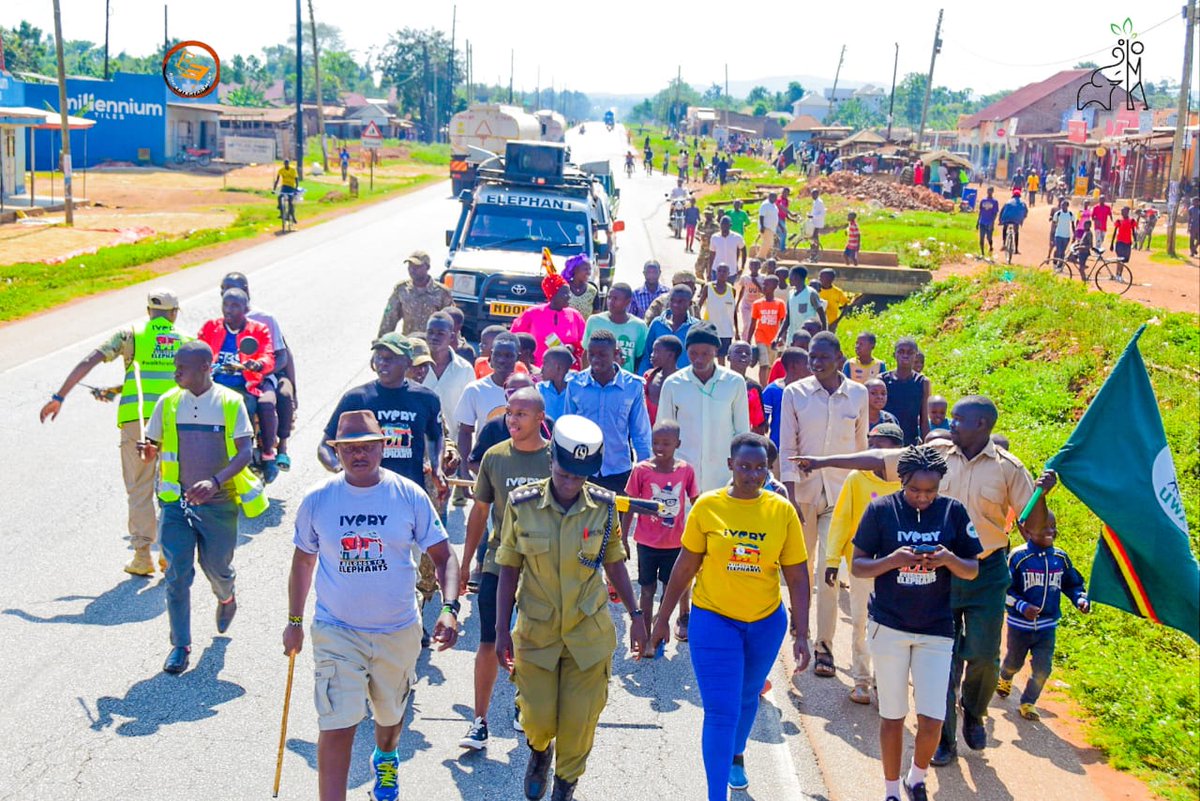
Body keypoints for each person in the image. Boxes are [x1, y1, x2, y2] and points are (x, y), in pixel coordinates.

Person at [789, 395, 1053, 767]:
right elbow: (880, 461)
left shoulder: (1008, 468)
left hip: (983, 571)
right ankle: (944, 738)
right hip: (934, 572)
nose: (949, 424)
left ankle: (974, 711)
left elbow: (1036, 527)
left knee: (981, 656)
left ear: (983, 425)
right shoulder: (936, 452)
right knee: (941, 658)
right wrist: (823, 462)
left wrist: (1042, 494)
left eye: (959, 419)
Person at [285, 410, 460, 801]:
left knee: (389, 715)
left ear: (383, 447)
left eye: (367, 447)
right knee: (337, 723)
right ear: (337, 452)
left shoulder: (408, 495)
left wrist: (450, 608)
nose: (358, 455)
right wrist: (294, 621)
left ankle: (385, 755)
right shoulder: (318, 499)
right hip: (336, 630)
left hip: (397, 631)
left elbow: (445, 556)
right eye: (349, 449)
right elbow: (302, 561)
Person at [649, 433, 812, 801]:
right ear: (730, 466)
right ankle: (714, 794)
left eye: (760, 469)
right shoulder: (708, 507)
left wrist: (802, 631)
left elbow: (798, 574)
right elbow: (685, 565)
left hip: (765, 622)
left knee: (748, 696)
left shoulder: (781, 511)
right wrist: (662, 619)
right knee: (721, 711)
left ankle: (737, 754)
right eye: (744, 467)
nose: (753, 475)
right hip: (714, 620)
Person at [494, 416, 648, 801]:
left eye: (579, 477)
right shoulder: (522, 505)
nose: (569, 483)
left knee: (579, 723)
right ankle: (540, 752)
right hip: (537, 633)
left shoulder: (604, 506)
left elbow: (614, 560)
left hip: (587, 633)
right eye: (564, 473)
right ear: (551, 459)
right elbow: (509, 565)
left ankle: (565, 784)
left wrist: (636, 615)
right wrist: (500, 630)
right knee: (538, 718)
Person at [851, 445, 982, 801]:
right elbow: (858, 565)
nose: (922, 498)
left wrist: (949, 559)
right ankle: (891, 790)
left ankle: (916, 778)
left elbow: (972, 569)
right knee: (892, 717)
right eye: (914, 490)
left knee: (933, 718)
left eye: (930, 491)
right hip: (889, 626)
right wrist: (892, 560)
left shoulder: (953, 512)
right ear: (902, 481)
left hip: (936, 629)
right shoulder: (881, 509)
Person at [40, 289, 186, 576]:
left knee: (139, 487)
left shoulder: (129, 334)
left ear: (148, 312)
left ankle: (143, 557)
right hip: (177, 420)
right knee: (174, 485)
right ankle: (169, 555)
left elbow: (89, 360)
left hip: (138, 420)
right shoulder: (188, 340)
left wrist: (60, 396)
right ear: (174, 313)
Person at [141, 340, 266, 674]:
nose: (175, 372)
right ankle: (180, 645)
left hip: (219, 503)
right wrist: (148, 452)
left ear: (205, 368)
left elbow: (243, 453)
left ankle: (226, 595)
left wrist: (214, 480)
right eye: (175, 366)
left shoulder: (229, 402)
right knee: (177, 573)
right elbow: (153, 445)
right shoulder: (168, 402)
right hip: (175, 504)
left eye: (182, 367)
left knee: (217, 566)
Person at [459, 387, 552, 751]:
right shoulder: (494, 458)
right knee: (488, 640)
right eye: (509, 413)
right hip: (499, 561)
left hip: (540, 566)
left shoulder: (554, 460)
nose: (512, 420)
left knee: (530, 642)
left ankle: (523, 708)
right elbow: (480, 513)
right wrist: (466, 563)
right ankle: (479, 721)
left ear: (540, 419)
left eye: (521, 414)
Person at [778, 332, 869, 677]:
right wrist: (789, 495)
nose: (816, 363)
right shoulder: (794, 394)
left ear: (840, 357)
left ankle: (824, 647)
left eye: (822, 357)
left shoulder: (858, 395)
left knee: (827, 574)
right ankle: (800, 625)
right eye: (812, 358)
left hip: (840, 497)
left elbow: (862, 453)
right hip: (802, 495)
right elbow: (786, 448)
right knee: (798, 570)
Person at [824, 421, 905, 704]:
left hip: (899, 571)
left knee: (893, 629)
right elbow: (841, 521)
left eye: (880, 448)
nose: (872, 453)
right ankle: (861, 680)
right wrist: (832, 560)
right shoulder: (856, 479)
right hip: (862, 567)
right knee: (861, 623)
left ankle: (885, 682)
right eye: (869, 445)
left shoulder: (909, 482)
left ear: (897, 453)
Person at [319, 333, 445, 497]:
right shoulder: (356, 399)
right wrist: (340, 470)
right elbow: (324, 447)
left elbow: (436, 437)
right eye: (379, 357)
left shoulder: (427, 399)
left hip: (408, 494)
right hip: (363, 494)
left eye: (390, 358)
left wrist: (437, 468)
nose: (382, 363)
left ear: (408, 362)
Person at [999, 509, 1089, 722]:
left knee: (1043, 668)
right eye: (1043, 528)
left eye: (1053, 527)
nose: (1050, 531)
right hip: (1020, 626)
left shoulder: (1061, 558)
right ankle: (1005, 676)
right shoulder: (1019, 557)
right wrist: (1021, 606)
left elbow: (1073, 583)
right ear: (1027, 531)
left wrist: (1080, 599)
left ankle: (1028, 702)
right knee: (1014, 661)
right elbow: (1004, 590)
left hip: (1048, 626)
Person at [622, 418, 700, 640]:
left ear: (678, 443)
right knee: (646, 590)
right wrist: (624, 538)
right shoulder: (641, 470)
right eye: (655, 442)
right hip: (646, 542)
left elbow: (697, 502)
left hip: (675, 544)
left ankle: (660, 627)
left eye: (666, 443)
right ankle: (645, 634)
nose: (659, 448)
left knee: (669, 591)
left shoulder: (686, 471)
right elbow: (629, 505)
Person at [657, 323, 751, 492]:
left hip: (723, 476)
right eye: (693, 353)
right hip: (682, 476)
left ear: (716, 351)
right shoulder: (673, 384)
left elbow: (742, 432)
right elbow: (663, 432)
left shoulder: (734, 383)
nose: (699, 359)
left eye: (706, 353)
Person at [197, 288, 279, 482]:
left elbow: (267, 355)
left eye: (235, 305)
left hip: (244, 387)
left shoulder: (258, 330)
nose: (229, 309)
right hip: (212, 387)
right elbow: (197, 348)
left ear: (245, 308)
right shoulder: (210, 327)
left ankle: (253, 454)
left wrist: (257, 364)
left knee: (245, 409)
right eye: (226, 304)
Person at [219, 273, 298, 471]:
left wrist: (261, 371)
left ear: (246, 292)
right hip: (228, 380)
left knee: (268, 402)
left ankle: (273, 451)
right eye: (224, 293)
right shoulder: (217, 324)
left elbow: (282, 355)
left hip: (260, 379)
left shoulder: (264, 319)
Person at [564, 329, 653, 493]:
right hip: (583, 468)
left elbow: (640, 433)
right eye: (592, 355)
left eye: (602, 354)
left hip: (618, 470)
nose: (596, 360)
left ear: (616, 353)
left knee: (616, 517)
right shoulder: (575, 385)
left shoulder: (632, 386)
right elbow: (568, 428)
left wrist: (645, 471)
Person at [455, 333, 521, 486]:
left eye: (509, 355)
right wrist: (464, 473)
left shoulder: (528, 390)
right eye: (497, 355)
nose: (502, 360)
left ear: (517, 358)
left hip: (521, 471)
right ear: (490, 356)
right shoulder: (475, 390)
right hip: (486, 471)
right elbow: (465, 432)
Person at [511, 273, 587, 367]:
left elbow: (585, 342)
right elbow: (514, 338)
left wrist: (572, 347)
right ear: (553, 295)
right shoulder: (532, 313)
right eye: (565, 293)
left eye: (569, 292)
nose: (569, 296)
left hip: (568, 371)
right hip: (537, 371)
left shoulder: (575, 315)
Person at [377, 251, 454, 337]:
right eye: (410, 266)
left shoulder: (442, 292)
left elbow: (451, 321)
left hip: (433, 345)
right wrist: (382, 341)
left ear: (427, 267)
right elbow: (389, 318)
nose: (412, 270)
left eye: (417, 267)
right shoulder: (401, 289)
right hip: (409, 344)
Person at [582, 283, 648, 373]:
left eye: (615, 299)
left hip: (624, 382)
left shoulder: (639, 326)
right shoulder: (594, 321)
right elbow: (586, 353)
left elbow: (640, 358)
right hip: (596, 380)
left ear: (627, 302)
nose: (610, 302)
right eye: (609, 297)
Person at [881, 337, 930, 446]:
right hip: (886, 439)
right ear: (895, 355)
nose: (905, 355)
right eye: (901, 352)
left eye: (910, 352)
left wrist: (926, 447)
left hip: (910, 441)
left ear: (916, 356)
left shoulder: (922, 382)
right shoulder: (882, 380)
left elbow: (924, 419)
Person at [641, 285, 698, 373]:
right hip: (658, 379)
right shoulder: (657, 324)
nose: (675, 305)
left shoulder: (696, 327)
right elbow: (647, 354)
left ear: (690, 303)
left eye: (680, 302)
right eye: (672, 300)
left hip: (685, 381)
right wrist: (644, 379)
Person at [761, 347, 807, 452]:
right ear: (793, 366)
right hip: (779, 449)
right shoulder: (772, 390)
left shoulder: (809, 390)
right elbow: (761, 423)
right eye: (806, 364)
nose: (810, 367)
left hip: (804, 450)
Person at [746, 274, 786, 385]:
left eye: (767, 284)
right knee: (763, 364)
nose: (764, 286)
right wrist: (748, 339)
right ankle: (763, 389)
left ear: (775, 286)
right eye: (764, 283)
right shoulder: (757, 304)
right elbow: (753, 323)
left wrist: (781, 337)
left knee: (770, 366)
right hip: (760, 337)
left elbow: (783, 323)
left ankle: (768, 386)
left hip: (773, 339)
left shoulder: (780, 304)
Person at [777, 266, 827, 349]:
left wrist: (824, 333)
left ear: (797, 277)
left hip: (807, 338)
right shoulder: (791, 293)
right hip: (792, 337)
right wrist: (779, 335)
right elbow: (788, 317)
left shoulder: (811, 293)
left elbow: (822, 314)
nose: (789, 278)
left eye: (791, 276)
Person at [697, 262, 737, 360]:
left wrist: (737, 331)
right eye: (720, 271)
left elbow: (733, 311)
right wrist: (699, 322)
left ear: (729, 274)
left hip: (726, 331)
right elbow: (698, 306)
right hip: (710, 329)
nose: (722, 273)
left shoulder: (732, 290)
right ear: (716, 272)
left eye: (725, 271)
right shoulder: (708, 287)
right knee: (708, 357)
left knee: (721, 358)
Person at [726, 341, 767, 434]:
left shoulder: (754, 388)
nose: (743, 355)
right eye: (738, 352)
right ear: (728, 357)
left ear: (751, 359)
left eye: (748, 353)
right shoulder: (718, 383)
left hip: (741, 440)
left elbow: (759, 425)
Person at [643, 335, 682, 424]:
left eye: (656, 351)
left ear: (670, 355)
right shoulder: (648, 377)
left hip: (671, 436)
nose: (652, 355)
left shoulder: (682, 382)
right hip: (647, 435)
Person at [539, 347, 575, 421]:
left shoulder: (577, 389)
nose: (541, 368)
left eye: (545, 363)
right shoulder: (540, 389)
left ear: (558, 368)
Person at [734, 257, 764, 340]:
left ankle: (751, 339)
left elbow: (764, 292)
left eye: (756, 265)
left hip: (757, 305)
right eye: (752, 265)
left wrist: (756, 283)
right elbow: (742, 291)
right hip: (746, 304)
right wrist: (737, 304)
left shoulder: (762, 278)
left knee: (754, 324)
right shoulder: (745, 278)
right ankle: (745, 340)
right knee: (747, 323)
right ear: (749, 267)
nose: (754, 267)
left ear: (759, 267)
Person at [708, 216, 745, 282]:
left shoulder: (737, 237)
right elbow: (711, 255)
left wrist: (742, 266)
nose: (724, 226)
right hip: (716, 271)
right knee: (715, 290)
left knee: (729, 291)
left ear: (730, 225)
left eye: (726, 225)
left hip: (731, 271)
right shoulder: (714, 237)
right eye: (722, 224)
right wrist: (709, 271)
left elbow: (744, 251)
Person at [817, 268, 852, 332]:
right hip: (817, 324)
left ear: (830, 279)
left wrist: (836, 322)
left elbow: (846, 306)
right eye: (819, 277)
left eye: (821, 277)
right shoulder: (815, 290)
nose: (819, 279)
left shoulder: (837, 292)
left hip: (831, 325)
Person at [1109, 206, 1137, 281]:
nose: (1122, 213)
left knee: (1124, 260)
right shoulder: (1119, 221)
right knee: (1119, 259)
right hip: (1120, 242)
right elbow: (1115, 232)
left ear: (1127, 212)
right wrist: (1111, 243)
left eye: (1124, 211)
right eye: (1122, 211)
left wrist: (1136, 241)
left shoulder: (1132, 221)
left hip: (1127, 243)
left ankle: (1119, 274)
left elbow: (1133, 232)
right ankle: (1117, 275)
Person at [998, 190, 1028, 255]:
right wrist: (1022, 218)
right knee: (1016, 232)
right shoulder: (1023, 203)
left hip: (1007, 218)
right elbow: (1026, 212)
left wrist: (1000, 220)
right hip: (1017, 219)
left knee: (1005, 228)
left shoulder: (1008, 202)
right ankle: (1016, 249)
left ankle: (1004, 244)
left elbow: (1002, 211)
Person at [694, 208, 721, 278]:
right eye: (706, 214)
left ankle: (708, 287)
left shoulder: (716, 225)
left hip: (712, 252)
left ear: (712, 214)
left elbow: (719, 236)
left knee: (710, 272)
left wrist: (709, 237)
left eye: (709, 214)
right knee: (698, 270)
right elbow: (696, 234)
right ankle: (703, 285)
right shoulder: (701, 224)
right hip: (703, 250)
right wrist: (700, 236)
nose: (707, 216)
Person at [726, 199, 751, 267]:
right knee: (730, 249)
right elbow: (722, 216)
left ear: (740, 205)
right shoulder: (729, 212)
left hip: (739, 235)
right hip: (730, 234)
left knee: (737, 250)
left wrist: (744, 226)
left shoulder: (743, 213)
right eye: (735, 204)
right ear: (733, 205)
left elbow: (748, 222)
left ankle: (735, 263)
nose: (736, 206)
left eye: (738, 204)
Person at [976, 186, 999, 256]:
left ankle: (991, 246)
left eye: (990, 191)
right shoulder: (983, 200)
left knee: (989, 238)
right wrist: (977, 222)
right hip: (982, 222)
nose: (989, 192)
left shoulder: (995, 202)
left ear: (992, 192)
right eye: (988, 191)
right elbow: (980, 212)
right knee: (981, 238)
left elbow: (995, 213)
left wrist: (992, 222)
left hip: (989, 222)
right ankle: (982, 253)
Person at [757, 192, 780, 258]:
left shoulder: (773, 205)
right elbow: (761, 216)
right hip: (766, 227)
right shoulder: (765, 205)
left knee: (769, 244)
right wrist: (762, 226)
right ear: (769, 197)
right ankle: (760, 257)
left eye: (775, 197)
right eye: (773, 197)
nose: (774, 198)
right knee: (767, 243)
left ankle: (762, 256)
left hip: (772, 228)